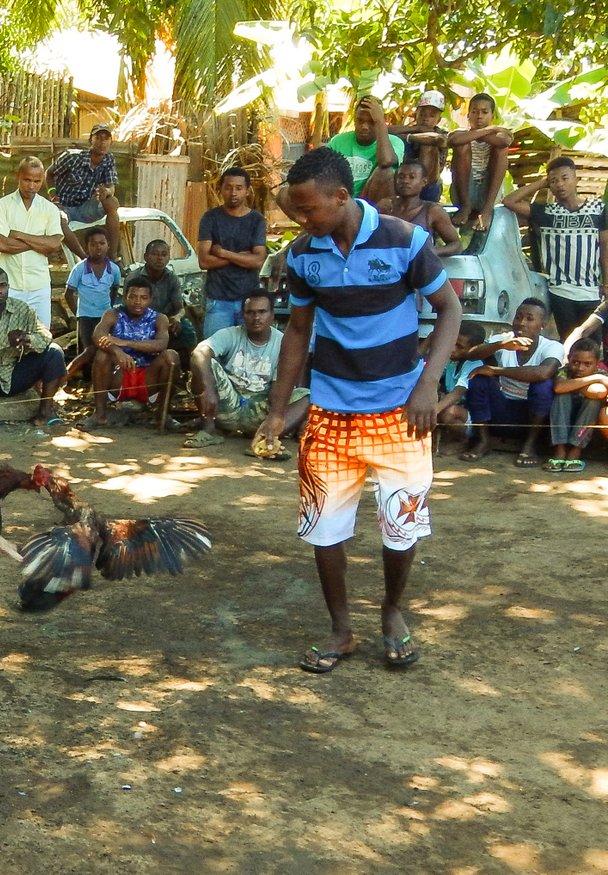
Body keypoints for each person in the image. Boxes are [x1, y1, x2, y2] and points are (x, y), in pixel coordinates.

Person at [254, 146, 461, 673]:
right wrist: (279, 410)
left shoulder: (405, 240)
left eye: (308, 210)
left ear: (341, 197)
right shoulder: (303, 255)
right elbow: (297, 332)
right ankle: (341, 629)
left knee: (401, 524)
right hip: (330, 413)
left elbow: (450, 310)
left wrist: (427, 386)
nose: (301, 221)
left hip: (401, 414)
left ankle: (392, 610)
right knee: (323, 526)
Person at [183, 290, 310, 450]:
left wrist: (277, 415)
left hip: (261, 408)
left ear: (272, 315)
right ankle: (209, 431)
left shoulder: (283, 343)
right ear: (243, 315)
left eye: (262, 312)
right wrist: (208, 389)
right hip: (227, 404)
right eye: (250, 312)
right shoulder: (231, 334)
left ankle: (266, 440)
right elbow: (199, 353)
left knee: (306, 396)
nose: (256, 317)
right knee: (202, 363)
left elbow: (276, 393)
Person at [504, 157, 608, 339]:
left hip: (591, 292)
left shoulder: (598, 209)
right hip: (560, 292)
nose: (559, 184)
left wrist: (606, 282)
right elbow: (509, 201)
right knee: (568, 343)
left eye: (565, 178)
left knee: (591, 345)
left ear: (576, 179)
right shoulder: (546, 212)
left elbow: (605, 247)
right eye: (553, 181)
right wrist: (541, 183)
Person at [0, 265, 67, 435]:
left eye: (3, 285)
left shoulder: (23, 309)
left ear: (8, 287)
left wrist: (29, 339)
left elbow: (45, 335)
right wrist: (4, 340)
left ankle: (45, 410)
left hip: (17, 374)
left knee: (54, 351)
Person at [458, 298, 561, 467]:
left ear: (543, 325)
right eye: (518, 317)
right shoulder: (505, 340)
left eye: (529, 319)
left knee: (543, 386)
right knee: (478, 378)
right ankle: (484, 441)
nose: (522, 323)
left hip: (534, 416)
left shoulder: (552, 347)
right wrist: (500, 345)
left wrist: (497, 371)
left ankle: (530, 445)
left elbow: (544, 373)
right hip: (502, 411)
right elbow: (471, 354)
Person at [84, 276, 180, 429]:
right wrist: (117, 351)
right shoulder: (113, 314)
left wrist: (126, 343)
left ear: (150, 300)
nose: (137, 302)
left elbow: (161, 344)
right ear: (125, 297)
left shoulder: (159, 318)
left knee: (171, 356)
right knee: (102, 354)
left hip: (148, 377)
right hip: (120, 375)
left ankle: (163, 416)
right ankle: (100, 415)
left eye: (143, 298)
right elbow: (97, 335)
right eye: (133, 297)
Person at [0, 156, 64, 328]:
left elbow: (55, 244)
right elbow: (3, 245)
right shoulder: (2, 206)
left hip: (39, 287)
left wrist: (19, 235)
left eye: (37, 181)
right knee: (6, 338)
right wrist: (41, 244)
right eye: (27, 180)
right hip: (9, 286)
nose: (31, 186)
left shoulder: (50, 209)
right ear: (18, 176)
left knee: (41, 337)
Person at [197, 168, 269, 337]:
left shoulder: (257, 220)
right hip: (218, 300)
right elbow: (204, 261)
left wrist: (223, 253)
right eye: (228, 187)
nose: (233, 193)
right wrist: (243, 257)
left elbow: (258, 261)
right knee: (215, 350)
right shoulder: (210, 218)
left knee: (249, 349)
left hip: (250, 302)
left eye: (239, 188)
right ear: (221, 189)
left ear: (247, 191)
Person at [47, 122, 121, 258]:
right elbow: (49, 173)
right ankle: (84, 259)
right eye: (98, 138)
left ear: (111, 141)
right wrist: (53, 196)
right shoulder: (72, 157)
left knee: (112, 202)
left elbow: (111, 186)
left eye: (106, 138)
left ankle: (113, 257)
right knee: (58, 219)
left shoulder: (109, 159)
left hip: (86, 207)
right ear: (90, 140)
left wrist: (106, 192)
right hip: (65, 206)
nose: (102, 142)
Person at [125, 239, 196, 363]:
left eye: (164, 254)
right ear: (146, 257)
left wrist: (177, 317)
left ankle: (192, 367)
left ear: (168, 258)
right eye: (155, 254)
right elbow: (127, 308)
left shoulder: (172, 278)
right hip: (140, 319)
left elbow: (180, 308)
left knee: (187, 329)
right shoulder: (133, 277)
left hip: (166, 320)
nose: (159, 258)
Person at [449, 93, 513, 231]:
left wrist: (478, 133)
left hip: (488, 192)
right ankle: (466, 207)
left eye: (485, 112)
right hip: (464, 191)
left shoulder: (499, 134)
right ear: (468, 115)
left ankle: (487, 210)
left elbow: (504, 141)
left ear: (492, 116)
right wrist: (490, 129)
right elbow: (454, 140)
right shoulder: (460, 133)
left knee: (501, 149)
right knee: (462, 145)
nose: (479, 116)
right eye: (474, 112)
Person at [64, 227, 121, 380]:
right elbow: (68, 294)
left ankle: (104, 379)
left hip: (105, 317)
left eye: (102, 243)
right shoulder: (79, 269)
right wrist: (78, 313)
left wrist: (109, 309)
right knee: (87, 349)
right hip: (85, 316)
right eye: (93, 244)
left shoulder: (114, 269)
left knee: (105, 347)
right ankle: (85, 380)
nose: (98, 247)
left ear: (108, 245)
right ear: (87, 247)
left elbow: (114, 289)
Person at [327, 96, 404, 204]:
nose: (364, 127)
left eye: (372, 122)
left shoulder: (394, 141)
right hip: (343, 200)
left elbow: (385, 161)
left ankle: (370, 213)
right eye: (360, 120)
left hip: (372, 203)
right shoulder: (338, 141)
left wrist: (380, 121)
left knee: (385, 172)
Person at [546, 338, 608, 473]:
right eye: (575, 362)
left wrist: (573, 385)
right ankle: (560, 449)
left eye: (587, 364)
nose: (580, 368)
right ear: (569, 359)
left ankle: (575, 450)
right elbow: (559, 388)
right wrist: (594, 379)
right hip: (563, 415)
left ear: (597, 363)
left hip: (587, 421)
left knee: (593, 401)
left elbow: (599, 392)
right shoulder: (564, 371)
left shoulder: (602, 374)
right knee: (561, 396)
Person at [377, 159, 462, 256]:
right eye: (401, 177)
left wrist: (429, 253)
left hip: (417, 265)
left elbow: (456, 245)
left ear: (424, 182)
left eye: (412, 177)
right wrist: (377, 211)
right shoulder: (386, 206)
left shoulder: (432, 211)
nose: (405, 181)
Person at [433, 321, 486, 454]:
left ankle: (463, 441)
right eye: (452, 343)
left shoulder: (474, 364)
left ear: (474, 349)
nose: (452, 349)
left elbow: (458, 392)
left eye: (459, 346)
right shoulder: (452, 361)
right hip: (455, 407)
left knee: (448, 412)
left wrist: (435, 410)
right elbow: (436, 376)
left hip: (472, 416)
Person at [388, 90, 448, 203]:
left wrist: (409, 137)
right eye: (422, 114)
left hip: (429, 185)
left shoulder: (441, 133)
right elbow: (385, 131)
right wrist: (416, 129)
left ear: (438, 119)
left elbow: (436, 139)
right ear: (416, 114)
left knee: (428, 145)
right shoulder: (409, 130)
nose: (426, 118)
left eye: (432, 116)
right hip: (404, 180)